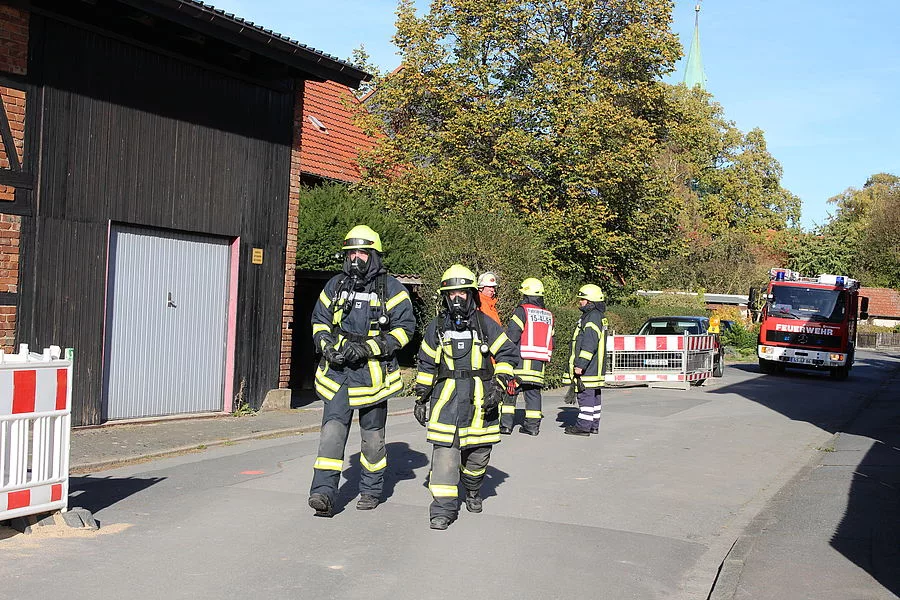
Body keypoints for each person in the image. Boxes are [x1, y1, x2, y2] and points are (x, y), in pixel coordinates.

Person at [307, 225, 416, 517]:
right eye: (351, 252)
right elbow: (319, 319)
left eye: (362, 252)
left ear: (374, 255)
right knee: (331, 434)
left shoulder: (391, 288)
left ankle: (370, 489)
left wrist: (369, 348)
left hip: (373, 378)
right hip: (338, 373)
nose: (356, 258)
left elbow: (405, 330)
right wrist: (325, 344)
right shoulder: (336, 285)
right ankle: (323, 493)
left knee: (373, 440)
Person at [413, 265, 518, 530]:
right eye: (451, 294)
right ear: (445, 297)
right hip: (446, 400)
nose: (457, 298)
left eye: (462, 293)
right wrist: (421, 396)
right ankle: (442, 510)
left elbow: (507, 354)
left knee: (478, 457)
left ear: (471, 294)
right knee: (445, 456)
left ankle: (472, 488)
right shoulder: (436, 327)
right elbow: (426, 363)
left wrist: (500, 382)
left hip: (482, 400)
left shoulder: (487, 325)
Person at [500, 277, 555, 436]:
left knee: (510, 392)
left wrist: (505, 355)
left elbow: (512, 335)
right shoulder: (549, 315)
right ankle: (532, 427)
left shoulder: (522, 311)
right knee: (533, 395)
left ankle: (506, 426)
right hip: (538, 365)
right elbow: (553, 340)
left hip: (520, 362)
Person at [562, 284, 608, 436]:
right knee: (594, 395)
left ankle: (583, 426)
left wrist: (580, 364)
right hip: (595, 366)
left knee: (585, 395)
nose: (580, 301)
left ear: (590, 301)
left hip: (589, 367)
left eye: (582, 299)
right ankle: (593, 425)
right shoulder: (597, 316)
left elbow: (589, 343)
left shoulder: (592, 317)